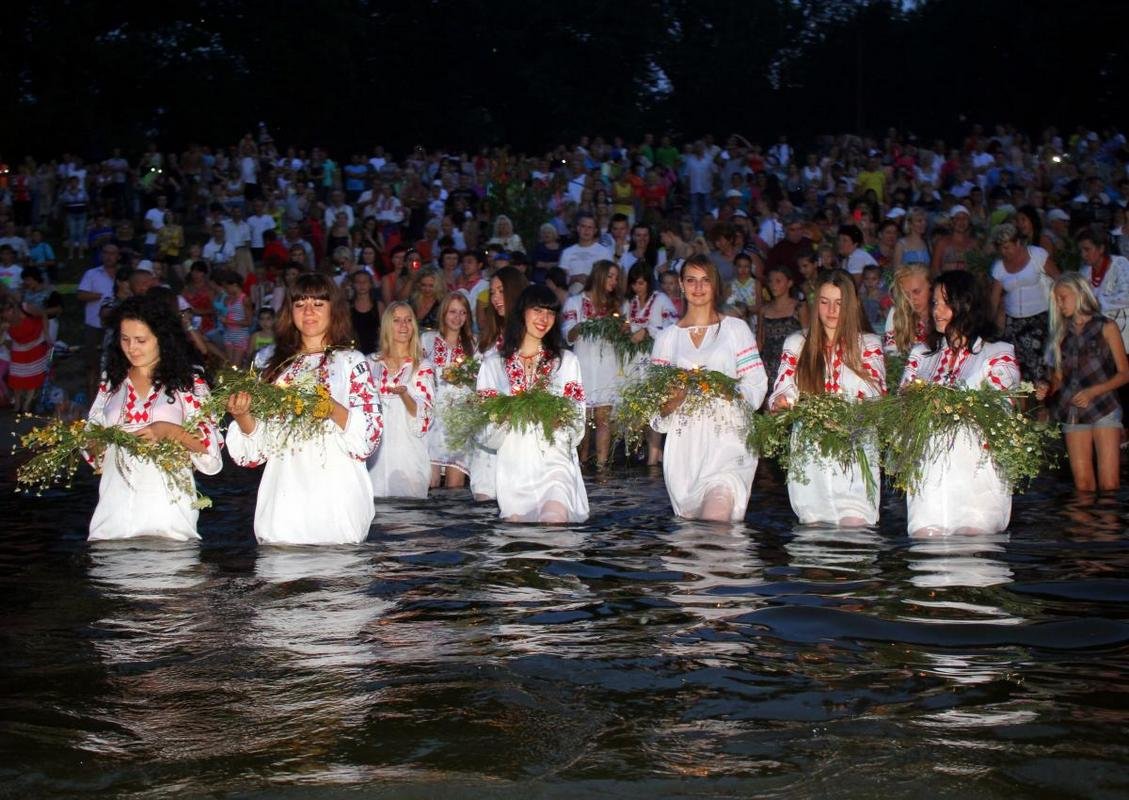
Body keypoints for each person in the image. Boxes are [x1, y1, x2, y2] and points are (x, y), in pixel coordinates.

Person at [225, 273, 383, 545]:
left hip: (336, 504)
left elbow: (369, 438)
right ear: (290, 311)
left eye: (318, 304)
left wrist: (332, 408)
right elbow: (254, 453)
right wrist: (242, 417)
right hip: (284, 506)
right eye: (300, 304)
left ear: (334, 310)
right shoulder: (268, 363)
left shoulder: (351, 362)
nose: (308, 311)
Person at [85, 294, 223, 541]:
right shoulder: (111, 382)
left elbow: (210, 453)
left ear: (162, 339)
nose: (131, 348)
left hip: (168, 520)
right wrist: (89, 439)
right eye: (125, 339)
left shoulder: (189, 383)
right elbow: (94, 451)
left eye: (141, 340)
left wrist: (170, 431)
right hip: (112, 519)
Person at [900, 270, 1020, 536]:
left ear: (966, 304)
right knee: (925, 539)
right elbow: (902, 401)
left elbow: (1002, 405)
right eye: (934, 303)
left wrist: (953, 405)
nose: (937, 311)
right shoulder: (921, 355)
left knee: (973, 544)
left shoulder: (996, 353)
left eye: (945, 303)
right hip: (930, 472)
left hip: (975, 472)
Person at [649, 255, 768, 522]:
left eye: (705, 281)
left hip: (729, 439)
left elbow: (757, 384)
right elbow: (655, 409)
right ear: (681, 284)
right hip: (686, 447)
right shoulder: (667, 338)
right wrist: (673, 400)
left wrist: (732, 393)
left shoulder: (735, 329)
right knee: (694, 537)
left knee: (717, 516)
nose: (698, 288)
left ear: (715, 285)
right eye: (691, 280)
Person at [768, 269, 886, 526]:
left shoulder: (868, 344)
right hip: (811, 453)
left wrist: (848, 415)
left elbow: (877, 394)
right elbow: (783, 385)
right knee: (814, 528)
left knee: (856, 528)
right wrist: (781, 402)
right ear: (815, 304)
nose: (832, 311)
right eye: (824, 302)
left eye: (839, 303)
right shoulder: (797, 342)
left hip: (855, 451)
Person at [476, 284, 589, 523]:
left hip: (555, 459)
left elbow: (577, 421)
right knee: (520, 543)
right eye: (537, 310)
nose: (544, 318)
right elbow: (483, 432)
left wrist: (558, 419)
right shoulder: (492, 365)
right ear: (522, 313)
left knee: (555, 519)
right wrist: (507, 412)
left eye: (550, 312)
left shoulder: (566, 362)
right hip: (515, 468)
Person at [1037, 273, 1128, 492]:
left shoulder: (1107, 327)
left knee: (1109, 485)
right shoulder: (1060, 334)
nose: (1059, 304)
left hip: (1104, 406)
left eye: (1062, 297)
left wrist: (1093, 391)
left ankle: (1107, 526)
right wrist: (1045, 389)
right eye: (1056, 300)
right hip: (1073, 411)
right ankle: (1084, 526)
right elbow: (1057, 379)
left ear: (1079, 294)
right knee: (1083, 487)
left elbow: (1125, 373)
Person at [469, 266, 528, 501]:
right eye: (492, 293)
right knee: (485, 496)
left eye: (501, 291)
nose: (495, 299)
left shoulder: (530, 335)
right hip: (489, 431)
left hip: (519, 434)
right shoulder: (490, 335)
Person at [367, 302, 435, 499]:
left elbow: (424, 419)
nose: (403, 325)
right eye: (397, 320)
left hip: (408, 455)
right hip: (375, 457)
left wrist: (404, 394)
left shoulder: (422, 366)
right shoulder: (370, 363)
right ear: (387, 325)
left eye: (408, 320)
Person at [562, 259, 624, 468]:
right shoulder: (575, 302)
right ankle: (580, 463)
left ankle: (602, 467)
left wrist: (621, 330)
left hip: (608, 365)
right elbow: (568, 334)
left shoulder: (615, 306)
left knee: (603, 417)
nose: (614, 281)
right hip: (584, 365)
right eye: (610, 276)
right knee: (583, 418)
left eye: (617, 277)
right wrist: (585, 325)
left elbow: (622, 338)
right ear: (599, 276)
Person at [623, 262, 679, 465]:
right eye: (634, 284)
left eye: (640, 283)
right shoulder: (630, 303)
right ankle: (651, 454)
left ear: (648, 282)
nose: (637, 288)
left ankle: (653, 461)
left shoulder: (661, 300)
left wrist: (648, 331)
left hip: (655, 359)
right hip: (634, 363)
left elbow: (672, 326)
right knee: (640, 410)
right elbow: (625, 324)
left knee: (655, 408)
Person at [990, 222, 1058, 382]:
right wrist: (989, 324)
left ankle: (1042, 402)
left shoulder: (1037, 255)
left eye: (1007, 247)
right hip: (1013, 323)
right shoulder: (999, 267)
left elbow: (1059, 278)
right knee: (1017, 368)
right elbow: (994, 298)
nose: (1004, 252)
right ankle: (1024, 403)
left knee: (1039, 365)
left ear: (1018, 242)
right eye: (1001, 248)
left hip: (1039, 319)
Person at [421, 292, 476, 488]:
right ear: (443, 313)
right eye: (452, 311)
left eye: (462, 312)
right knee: (430, 481)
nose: (457, 317)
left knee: (455, 485)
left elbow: (482, 382)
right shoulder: (427, 340)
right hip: (433, 420)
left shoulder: (474, 345)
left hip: (460, 422)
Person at [756, 265, 808, 392]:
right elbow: (760, 340)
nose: (773, 285)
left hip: (791, 364)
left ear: (789, 283)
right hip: (768, 365)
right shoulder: (764, 310)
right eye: (770, 281)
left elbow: (808, 337)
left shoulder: (799, 308)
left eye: (778, 281)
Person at [1077, 227, 1129, 352]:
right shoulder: (1084, 272)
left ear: (1101, 248)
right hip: (1101, 335)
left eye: (1087, 249)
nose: (1083, 255)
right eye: (1081, 250)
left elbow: (1127, 295)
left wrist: (1096, 302)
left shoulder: (1119, 264)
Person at [2, 295, 51, 412]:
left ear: (11, 309)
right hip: (18, 345)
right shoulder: (4, 320)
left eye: (6, 312)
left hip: (35, 342)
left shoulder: (26, 308)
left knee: (33, 373)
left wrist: (47, 334)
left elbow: (43, 315)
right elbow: (4, 338)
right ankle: (17, 404)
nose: (5, 316)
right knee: (17, 375)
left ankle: (27, 405)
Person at [883, 264, 932, 356]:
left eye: (916, 292)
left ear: (931, 287)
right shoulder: (897, 313)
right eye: (906, 294)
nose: (911, 299)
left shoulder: (945, 313)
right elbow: (892, 355)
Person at [559, 213, 612, 293]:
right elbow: (560, 281)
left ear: (595, 230)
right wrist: (576, 278)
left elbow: (609, 278)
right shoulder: (567, 252)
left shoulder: (604, 252)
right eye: (583, 226)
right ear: (578, 228)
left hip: (596, 298)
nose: (586, 230)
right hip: (573, 299)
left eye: (590, 227)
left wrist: (590, 280)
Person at [349, 269, 382, 355]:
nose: (362, 285)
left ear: (371, 284)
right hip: (353, 352)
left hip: (375, 352)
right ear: (353, 285)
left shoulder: (379, 305)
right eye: (358, 282)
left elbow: (384, 330)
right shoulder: (347, 306)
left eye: (365, 282)